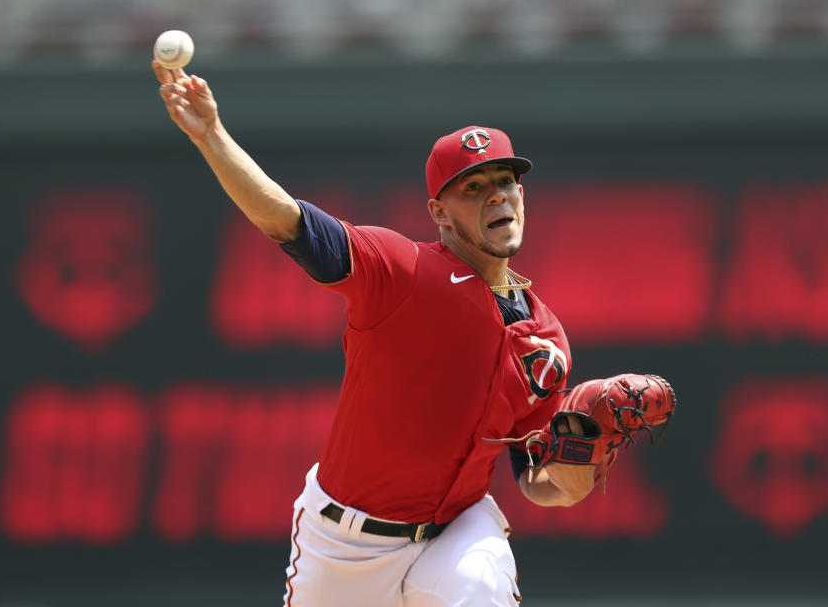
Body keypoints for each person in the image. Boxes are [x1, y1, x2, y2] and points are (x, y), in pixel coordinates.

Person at [153, 61, 603, 607]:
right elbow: (285, 220)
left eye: (506, 181)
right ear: (439, 211)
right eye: (474, 187)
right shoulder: (401, 269)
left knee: (483, 589)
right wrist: (212, 135)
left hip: (459, 530)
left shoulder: (548, 336)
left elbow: (541, 482)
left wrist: (583, 455)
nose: (497, 196)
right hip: (347, 544)